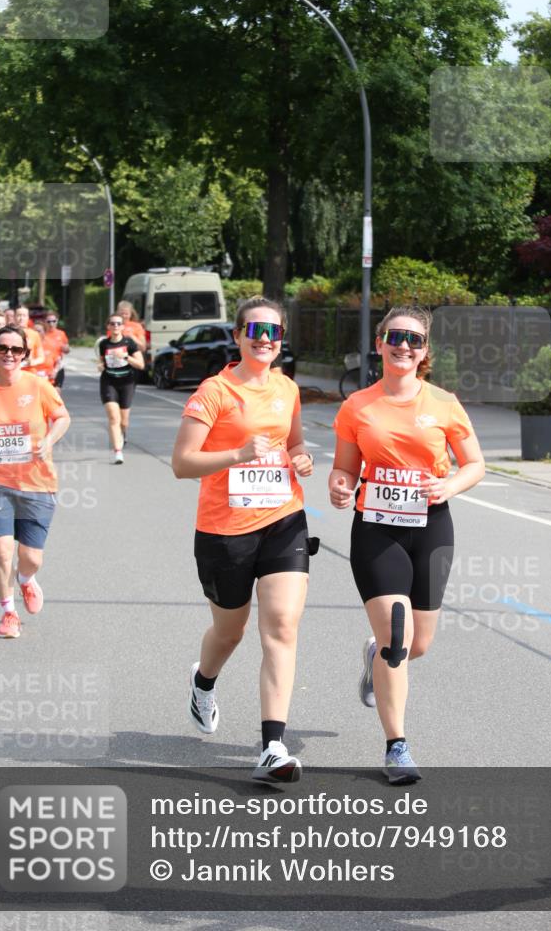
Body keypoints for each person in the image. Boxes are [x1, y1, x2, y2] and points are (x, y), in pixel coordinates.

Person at [329, 305, 485, 784]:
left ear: (425, 352)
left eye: (414, 340)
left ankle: (374, 656)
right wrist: (339, 485)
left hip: (432, 526)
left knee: (417, 643)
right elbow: (344, 468)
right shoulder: (358, 406)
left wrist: (449, 487)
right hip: (376, 527)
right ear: (379, 343)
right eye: (395, 336)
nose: (403, 345)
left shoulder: (443, 403)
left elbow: (475, 464)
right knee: (400, 638)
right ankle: (397, 747)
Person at [172, 297, 317, 784]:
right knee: (229, 632)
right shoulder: (214, 391)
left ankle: (273, 746)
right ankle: (203, 681)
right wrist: (237, 453)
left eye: (274, 332)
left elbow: (294, 443)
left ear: (281, 342)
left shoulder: (287, 389)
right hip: (223, 530)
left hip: (283, 519)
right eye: (255, 329)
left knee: (281, 627)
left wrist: (301, 459)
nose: (264, 338)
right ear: (237, 336)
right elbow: (182, 463)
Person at [0, 324, 70, 638]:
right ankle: (8, 612)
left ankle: (25, 579)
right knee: (2, 550)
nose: (9, 354)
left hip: (37, 482)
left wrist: (49, 440)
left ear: (24, 354)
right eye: (3, 348)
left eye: (16, 349)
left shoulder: (38, 386)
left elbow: (63, 417)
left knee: (30, 557)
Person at [98, 314, 145, 463]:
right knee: (113, 417)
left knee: (124, 422)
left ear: (123, 327)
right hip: (108, 381)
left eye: (119, 324)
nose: (116, 326)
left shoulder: (129, 343)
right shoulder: (104, 344)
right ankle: (118, 452)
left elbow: (141, 365)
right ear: (109, 327)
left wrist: (125, 357)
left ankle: (122, 434)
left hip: (127, 382)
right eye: (113, 323)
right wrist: (100, 366)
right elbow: (102, 362)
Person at [43, 312, 70, 388]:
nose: (51, 324)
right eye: (49, 322)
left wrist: (66, 349)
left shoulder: (61, 334)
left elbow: (67, 350)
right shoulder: (42, 334)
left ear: (57, 321)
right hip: (46, 368)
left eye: (53, 321)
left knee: (56, 392)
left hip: (58, 366)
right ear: (45, 322)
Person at [14, 306, 44, 371]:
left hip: (30, 371)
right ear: (14, 317)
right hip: (13, 371)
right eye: (19, 315)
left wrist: (32, 362)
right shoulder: (9, 333)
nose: (21, 318)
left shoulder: (34, 334)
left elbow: (41, 358)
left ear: (28, 317)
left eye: (24, 315)